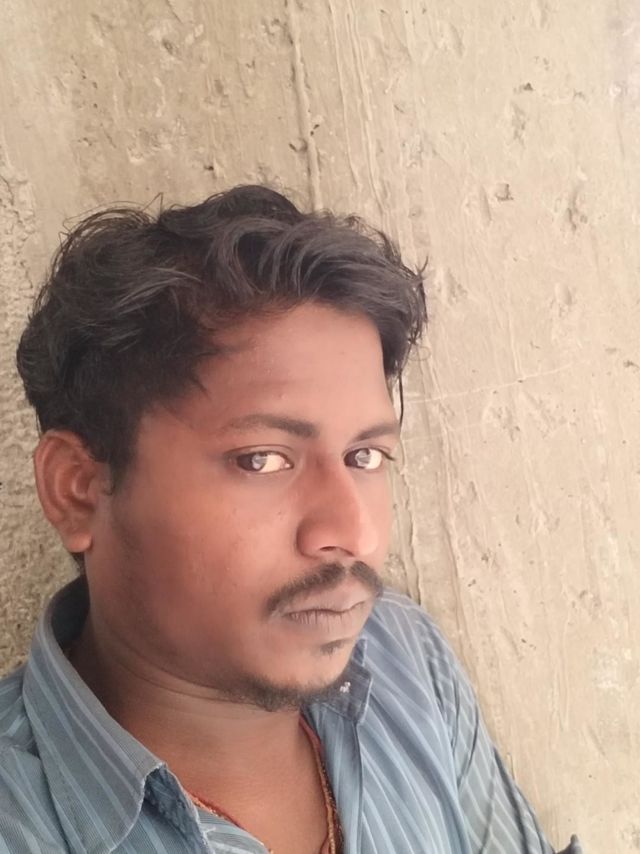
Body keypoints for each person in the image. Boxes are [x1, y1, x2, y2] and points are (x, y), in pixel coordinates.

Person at [0, 185, 581, 853]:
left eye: (365, 456)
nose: (355, 534)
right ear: (77, 490)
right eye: (263, 460)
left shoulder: (402, 656)